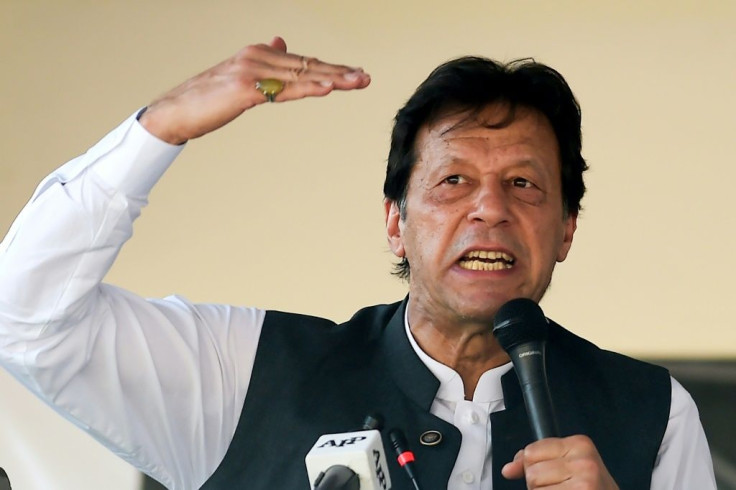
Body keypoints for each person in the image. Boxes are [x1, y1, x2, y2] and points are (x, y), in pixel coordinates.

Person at [0, 36, 716, 490]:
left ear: (565, 229)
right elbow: (24, 317)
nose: (489, 209)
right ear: (394, 223)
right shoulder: (243, 373)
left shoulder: (655, 417)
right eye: (453, 182)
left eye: (524, 185)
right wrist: (159, 129)